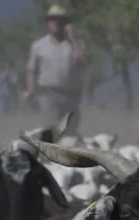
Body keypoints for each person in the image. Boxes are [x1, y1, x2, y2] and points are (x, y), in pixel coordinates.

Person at [25, 4, 87, 135]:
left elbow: (82, 60)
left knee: (70, 131)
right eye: (52, 19)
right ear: (48, 22)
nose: (56, 23)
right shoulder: (38, 46)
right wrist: (31, 90)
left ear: (65, 22)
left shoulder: (76, 43)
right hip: (49, 94)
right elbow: (31, 70)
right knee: (51, 131)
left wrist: (72, 37)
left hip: (72, 94)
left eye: (60, 19)